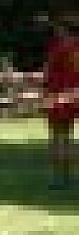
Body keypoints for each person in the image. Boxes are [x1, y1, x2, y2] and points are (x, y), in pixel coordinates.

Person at [44, 10, 79, 189]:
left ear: (63, 29)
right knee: (68, 136)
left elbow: (48, 73)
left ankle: (58, 177)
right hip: (74, 96)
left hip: (58, 95)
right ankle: (69, 174)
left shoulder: (58, 48)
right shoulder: (76, 47)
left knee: (57, 136)